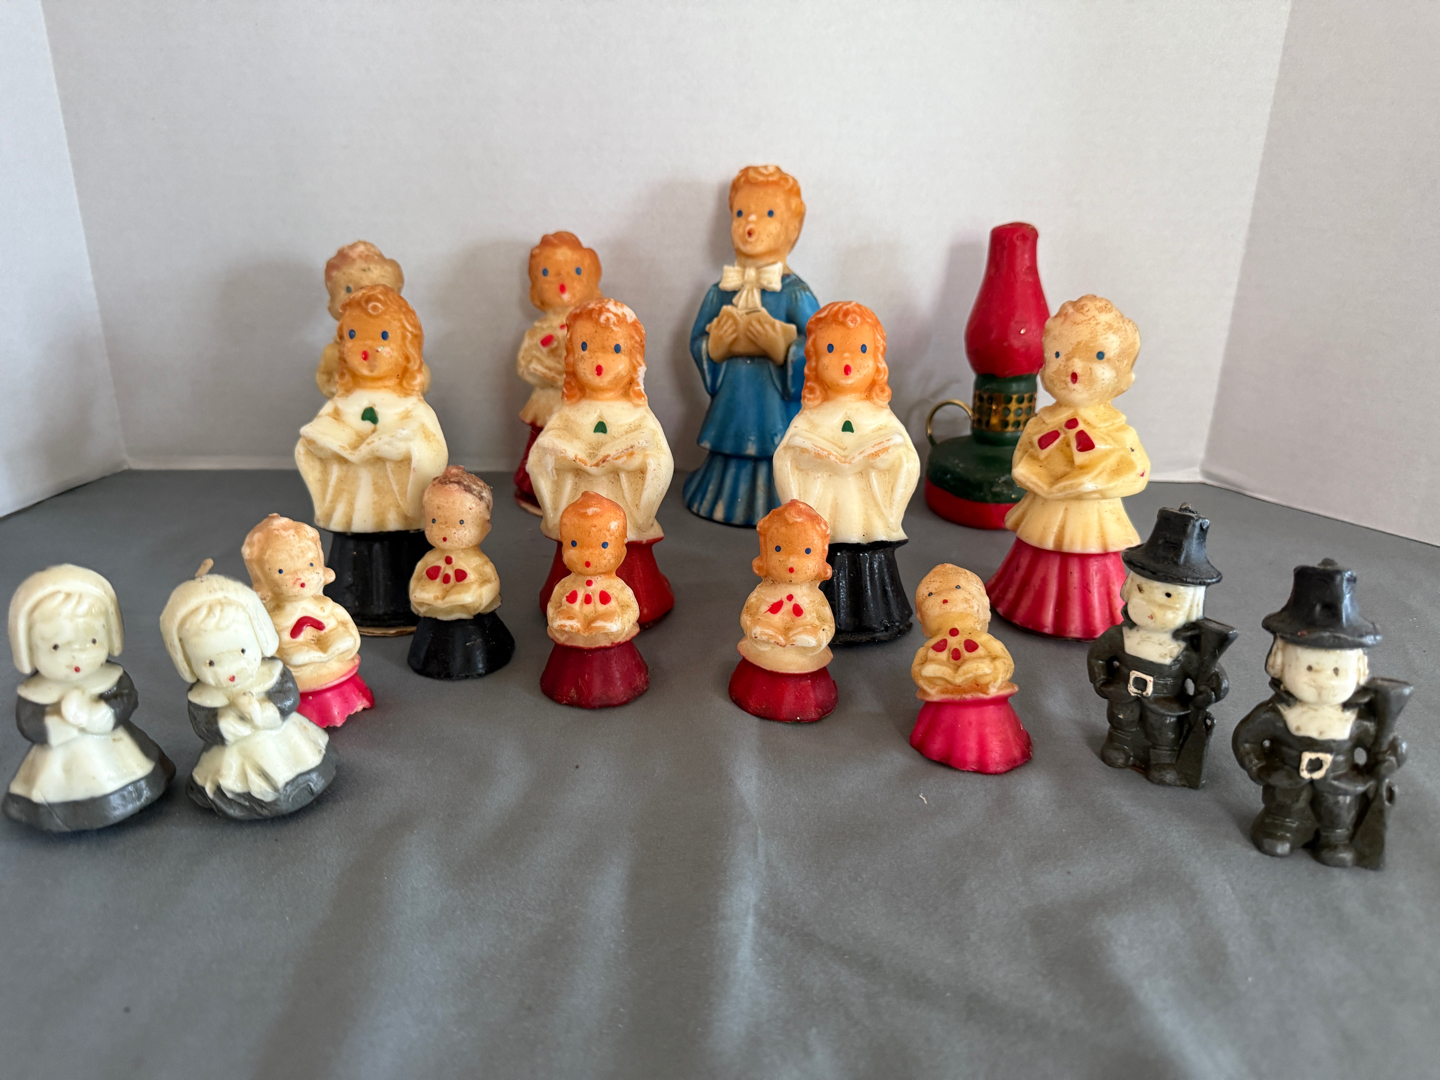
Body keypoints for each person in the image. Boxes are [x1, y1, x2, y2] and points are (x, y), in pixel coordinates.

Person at [986, 295, 1149, 639]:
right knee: (1036, 553)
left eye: (1098, 357)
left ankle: (1098, 611)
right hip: (1046, 510)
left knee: (1093, 561)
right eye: (1059, 354)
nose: (1073, 368)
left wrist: (1094, 484)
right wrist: (1038, 480)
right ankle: (1025, 602)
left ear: (1124, 376)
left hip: (1094, 518)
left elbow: (1137, 471)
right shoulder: (1040, 424)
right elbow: (1021, 462)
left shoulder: (1117, 431)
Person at [1233, 560, 1409, 869]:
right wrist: (1260, 768)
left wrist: (1387, 760)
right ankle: (1280, 830)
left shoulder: (1356, 720)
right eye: (1310, 667)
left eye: (1337, 671)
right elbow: (1246, 740)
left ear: (1359, 671)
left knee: (1338, 809)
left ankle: (1335, 839)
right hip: (1288, 779)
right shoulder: (1277, 714)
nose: (1323, 681)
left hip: (1338, 782)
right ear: (1279, 662)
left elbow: (1389, 746)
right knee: (1285, 805)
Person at [296, 284, 448, 630]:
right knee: (353, 553)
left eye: (383, 336)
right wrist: (322, 444)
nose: (367, 348)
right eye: (353, 335)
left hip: (397, 505)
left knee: (401, 553)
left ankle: (405, 600)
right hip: (352, 501)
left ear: (407, 348)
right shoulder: (340, 404)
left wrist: (405, 449)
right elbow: (312, 442)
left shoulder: (411, 406)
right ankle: (348, 600)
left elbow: (433, 450)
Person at [773, 301, 919, 642]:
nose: (847, 360)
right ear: (814, 359)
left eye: (862, 349)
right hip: (827, 509)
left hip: (867, 515)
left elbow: (906, 458)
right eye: (831, 349)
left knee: (870, 562)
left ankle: (879, 615)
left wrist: (884, 458)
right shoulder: (811, 416)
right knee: (826, 557)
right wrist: (809, 457)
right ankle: (816, 615)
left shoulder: (880, 416)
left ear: (878, 360)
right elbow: (786, 457)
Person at [684, 165, 820, 526]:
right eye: (741, 213)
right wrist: (715, 348)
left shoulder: (795, 294)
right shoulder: (719, 293)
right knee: (729, 445)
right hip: (733, 399)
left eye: (768, 213)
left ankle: (778, 501)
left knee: (779, 455)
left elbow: (822, 347)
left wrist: (782, 349)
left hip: (775, 409)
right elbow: (697, 340)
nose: (751, 222)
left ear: (793, 227)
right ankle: (720, 493)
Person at [527, 298, 674, 626]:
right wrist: (563, 457)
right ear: (571, 355)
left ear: (634, 358)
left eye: (615, 349)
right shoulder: (569, 412)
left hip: (622, 512)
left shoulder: (638, 414)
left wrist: (632, 462)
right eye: (585, 347)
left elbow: (660, 459)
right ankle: (567, 599)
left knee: (627, 553)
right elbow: (540, 455)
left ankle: (634, 599)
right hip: (578, 513)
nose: (598, 362)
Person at [160, 563, 336, 820]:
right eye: (211, 663)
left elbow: (288, 697)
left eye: (242, 651)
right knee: (230, 780)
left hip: (282, 740)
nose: (230, 670)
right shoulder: (203, 696)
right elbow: (203, 725)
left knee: (298, 759)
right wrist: (227, 722)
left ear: (259, 637)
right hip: (235, 753)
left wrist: (263, 711)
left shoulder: (271, 673)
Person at [3, 565, 173, 832]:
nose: (76, 658)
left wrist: (102, 713)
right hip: (59, 761)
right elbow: (28, 723)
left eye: (92, 642)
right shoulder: (36, 692)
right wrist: (59, 723)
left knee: (130, 764)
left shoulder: (109, 677)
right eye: (56, 647)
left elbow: (126, 698)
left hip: (111, 746)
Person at [1086, 504, 1235, 787]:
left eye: (1167, 596)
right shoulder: (1120, 636)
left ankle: (1163, 761)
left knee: (1164, 732)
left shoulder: (1185, 651)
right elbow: (1098, 657)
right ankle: (1121, 747)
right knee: (1122, 721)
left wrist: (1212, 688)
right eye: (1141, 590)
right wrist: (1101, 681)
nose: (1149, 606)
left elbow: (1208, 674)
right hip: (1124, 695)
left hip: (1164, 703)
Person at [241, 514, 373, 727]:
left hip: (334, 648)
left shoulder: (324, 605)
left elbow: (345, 621)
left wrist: (350, 637)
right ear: (262, 579)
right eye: (282, 571)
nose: (301, 577)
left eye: (310, 564)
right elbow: (267, 647)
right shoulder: (273, 619)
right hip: (298, 662)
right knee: (296, 656)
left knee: (342, 641)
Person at [907, 564, 1031, 774]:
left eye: (958, 588)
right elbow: (919, 667)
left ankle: (994, 751)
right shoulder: (930, 646)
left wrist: (995, 673)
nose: (944, 597)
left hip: (986, 695)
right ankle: (938, 745)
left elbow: (1003, 659)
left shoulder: (984, 640)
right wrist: (926, 679)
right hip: (942, 694)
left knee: (980, 673)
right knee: (935, 678)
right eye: (930, 595)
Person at [513, 232, 603, 512]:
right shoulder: (537, 331)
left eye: (576, 272)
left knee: (574, 445)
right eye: (547, 273)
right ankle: (536, 490)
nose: (562, 281)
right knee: (541, 443)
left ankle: (574, 491)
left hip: (575, 404)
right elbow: (524, 365)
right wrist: (543, 372)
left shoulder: (589, 328)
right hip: (546, 402)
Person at [730, 499, 838, 722]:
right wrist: (753, 629)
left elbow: (827, 625)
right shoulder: (763, 593)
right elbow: (748, 614)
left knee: (808, 639)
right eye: (778, 549)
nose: (791, 561)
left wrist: (818, 637)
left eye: (806, 551)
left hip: (804, 662)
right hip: (765, 653)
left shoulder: (815, 598)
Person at [408, 467, 514, 679]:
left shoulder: (477, 561)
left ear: (484, 526)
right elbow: (416, 579)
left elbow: (491, 582)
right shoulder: (429, 560)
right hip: (433, 615)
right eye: (434, 521)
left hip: (471, 615)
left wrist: (480, 598)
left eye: (461, 523)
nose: (446, 532)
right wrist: (417, 594)